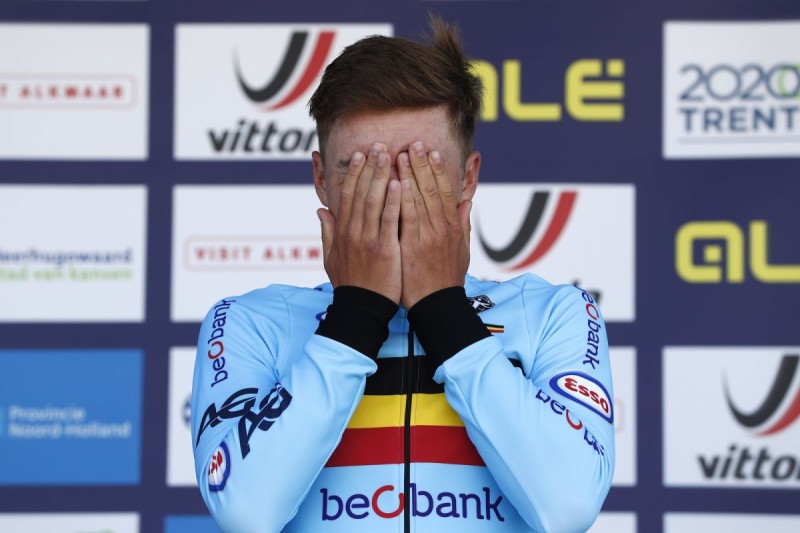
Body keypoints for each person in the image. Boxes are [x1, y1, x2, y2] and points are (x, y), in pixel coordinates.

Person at [192, 16, 614, 533]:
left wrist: (444, 311)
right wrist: (355, 315)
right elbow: (246, 512)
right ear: (321, 179)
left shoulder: (553, 313)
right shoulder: (249, 323)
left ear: (467, 178)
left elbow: (568, 507)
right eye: (359, 170)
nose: (390, 195)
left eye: (421, 169)